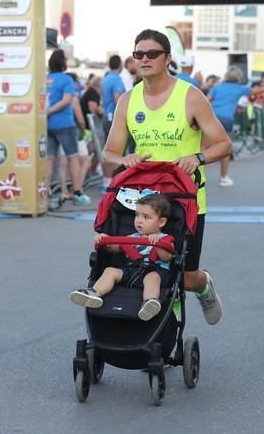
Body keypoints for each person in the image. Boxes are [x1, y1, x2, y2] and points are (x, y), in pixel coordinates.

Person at [102, 28, 230, 325]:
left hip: (186, 199)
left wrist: (197, 157)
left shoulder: (190, 97)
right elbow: (108, 153)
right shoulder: (127, 101)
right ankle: (163, 326)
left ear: (167, 58)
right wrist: (124, 159)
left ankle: (205, 286)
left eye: (152, 54)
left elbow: (224, 144)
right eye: (138, 54)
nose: (144, 59)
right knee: (141, 264)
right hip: (144, 203)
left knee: (185, 277)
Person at [70, 193, 173, 321]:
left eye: (146, 217)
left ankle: (149, 303)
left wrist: (158, 244)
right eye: (137, 215)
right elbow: (115, 248)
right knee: (110, 271)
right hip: (131, 271)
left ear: (161, 222)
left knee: (152, 277)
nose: (139, 220)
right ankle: (94, 293)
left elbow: (166, 257)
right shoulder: (131, 237)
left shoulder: (165, 239)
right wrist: (105, 240)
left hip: (155, 271)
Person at [45, 49, 91, 206]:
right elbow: (67, 101)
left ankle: (45, 191)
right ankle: (78, 191)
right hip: (65, 124)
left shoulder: (45, 79)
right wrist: (50, 111)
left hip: (47, 125)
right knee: (73, 158)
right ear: (63, 62)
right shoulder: (67, 80)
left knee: (49, 159)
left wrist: (46, 113)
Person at [208, 65, 252, 186]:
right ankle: (223, 177)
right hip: (227, 118)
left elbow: (207, 99)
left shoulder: (217, 87)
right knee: (226, 148)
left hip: (213, 117)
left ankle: (194, 176)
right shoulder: (241, 88)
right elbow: (255, 91)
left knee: (202, 147)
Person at [101, 55, 126, 190]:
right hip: (113, 118)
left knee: (108, 151)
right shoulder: (116, 80)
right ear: (119, 65)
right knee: (116, 152)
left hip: (106, 116)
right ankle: (115, 184)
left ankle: (107, 182)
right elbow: (119, 100)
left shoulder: (106, 79)